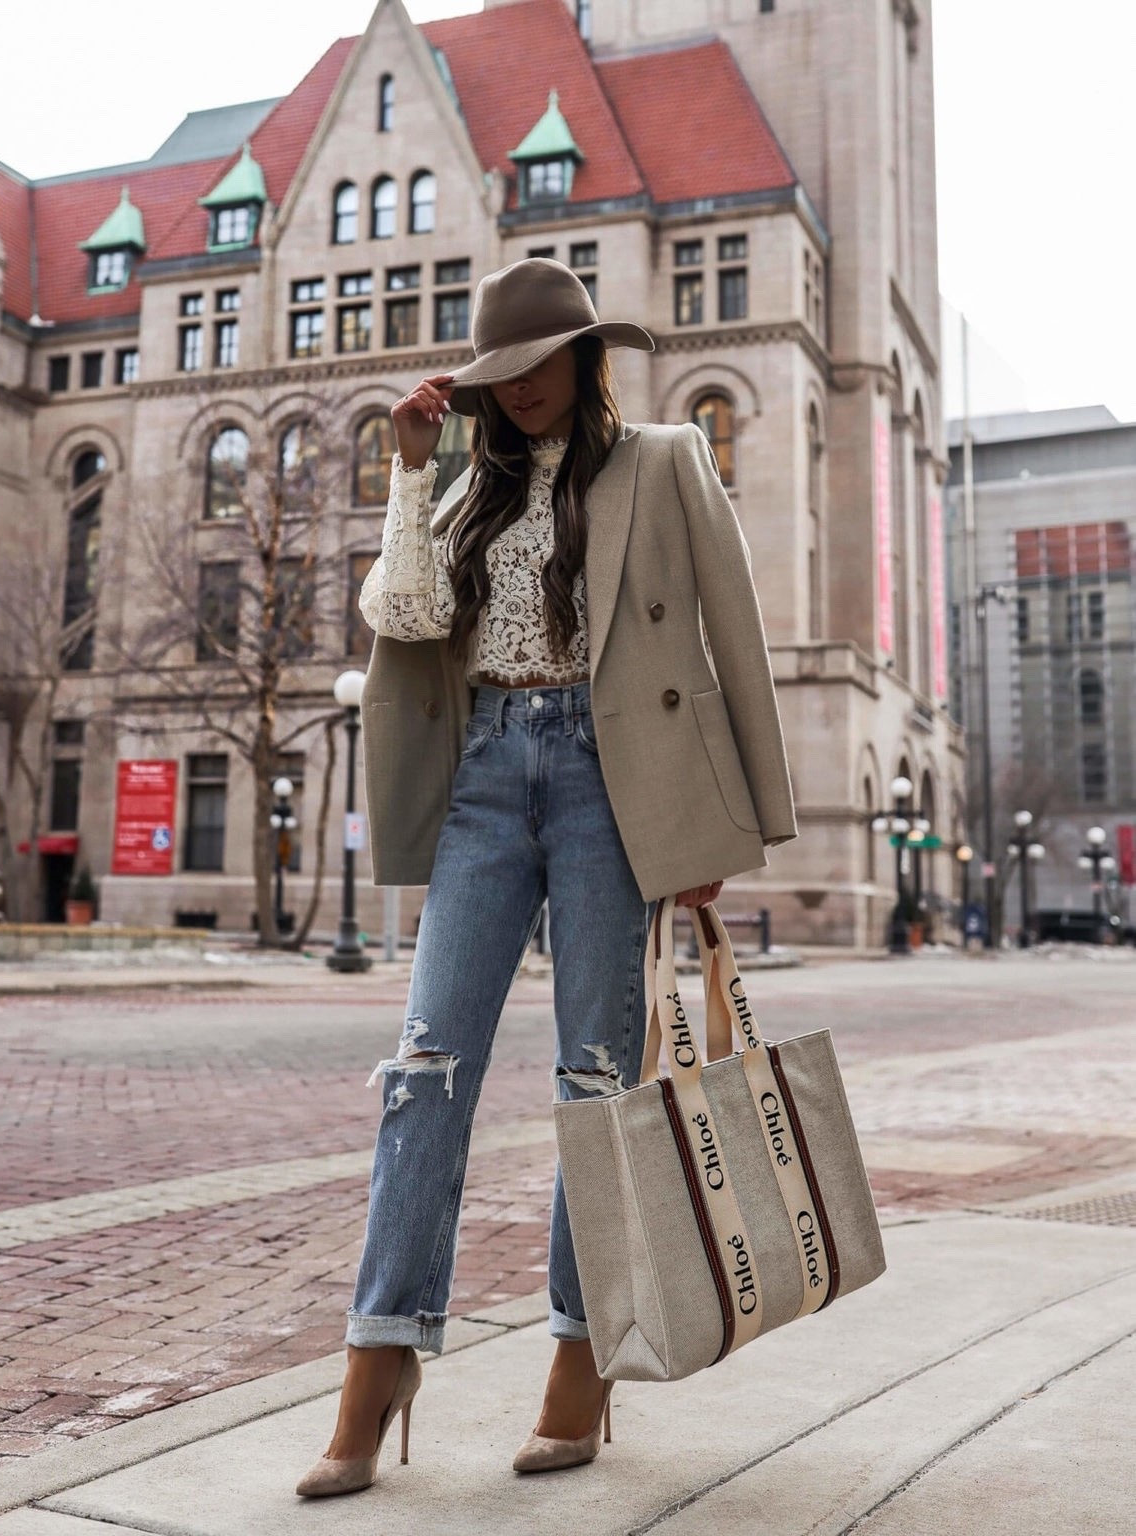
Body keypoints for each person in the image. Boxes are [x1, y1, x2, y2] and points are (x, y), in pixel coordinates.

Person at [295, 258, 797, 1497]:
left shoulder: (665, 462)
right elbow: (404, 621)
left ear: (582, 357)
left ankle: (580, 1357)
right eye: (494, 375)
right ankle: (379, 1357)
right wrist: (413, 472)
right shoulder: (465, 487)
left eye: (535, 365)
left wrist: (720, 834)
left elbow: (731, 638)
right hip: (482, 779)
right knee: (423, 1071)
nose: (516, 390)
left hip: (607, 787)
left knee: (594, 1079)